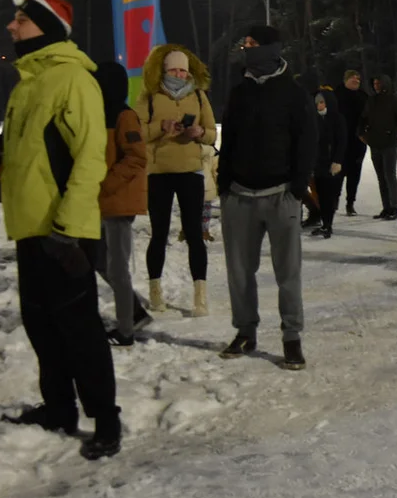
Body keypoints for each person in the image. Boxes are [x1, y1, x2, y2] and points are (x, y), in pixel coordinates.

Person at [0, 0, 120, 460]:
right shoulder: (26, 85)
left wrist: (69, 229)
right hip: (30, 227)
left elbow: (89, 157)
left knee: (80, 329)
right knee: (42, 324)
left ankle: (105, 419)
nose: (11, 27)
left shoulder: (73, 79)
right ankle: (59, 409)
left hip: (63, 232)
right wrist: (1, 169)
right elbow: (37, 159)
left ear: (47, 27)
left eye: (21, 20)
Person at [217, 25, 317, 369]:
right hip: (239, 196)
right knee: (240, 271)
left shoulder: (292, 92)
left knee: (287, 273)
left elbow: (306, 142)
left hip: (280, 195)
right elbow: (227, 138)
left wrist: (297, 189)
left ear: (271, 48)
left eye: (253, 44)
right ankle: (245, 331)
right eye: (245, 43)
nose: (246, 48)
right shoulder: (240, 91)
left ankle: (292, 337)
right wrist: (225, 185)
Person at [136, 44, 217, 317]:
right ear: (165, 70)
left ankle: (200, 296)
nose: (180, 74)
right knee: (158, 234)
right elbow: (137, 133)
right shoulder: (150, 96)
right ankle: (155, 291)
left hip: (190, 171)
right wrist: (161, 127)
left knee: (194, 234)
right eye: (174, 70)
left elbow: (211, 134)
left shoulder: (198, 95)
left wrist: (198, 131)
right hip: (159, 173)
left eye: (183, 70)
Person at [93, 61, 151, 347]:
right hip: (101, 201)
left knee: (116, 267)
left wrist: (105, 183)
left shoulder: (124, 116)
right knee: (99, 260)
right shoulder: (96, 114)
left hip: (118, 201)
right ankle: (135, 312)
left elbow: (136, 157)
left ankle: (126, 331)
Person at [359, 75, 397, 220]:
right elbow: (364, 117)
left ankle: (394, 207)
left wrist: (393, 135)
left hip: (389, 145)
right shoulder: (372, 100)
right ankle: (386, 207)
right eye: (374, 83)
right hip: (375, 143)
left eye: (378, 83)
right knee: (381, 177)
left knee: (390, 175)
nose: (376, 86)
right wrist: (362, 133)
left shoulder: (394, 100)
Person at [311, 87, 347, 238]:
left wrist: (337, 161)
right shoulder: (313, 118)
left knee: (329, 195)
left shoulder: (337, 119)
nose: (319, 105)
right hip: (317, 164)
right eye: (317, 102)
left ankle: (328, 224)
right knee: (320, 194)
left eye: (322, 102)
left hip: (332, 164)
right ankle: (324, 223)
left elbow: (342, 141)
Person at [335, 70, 369, 216]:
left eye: (358, 78)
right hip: (340, 141)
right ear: (346, 79)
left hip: (358, 141)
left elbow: (369, 117)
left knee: (355, 174)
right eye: (353, 78)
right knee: (337, 173)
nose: (356, 80)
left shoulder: (363, 96)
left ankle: (350, 203)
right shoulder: (336, 94)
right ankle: (333, 201)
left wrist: (367, 133)